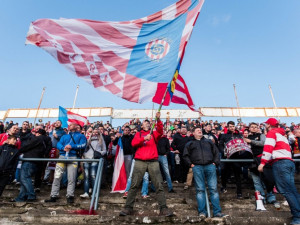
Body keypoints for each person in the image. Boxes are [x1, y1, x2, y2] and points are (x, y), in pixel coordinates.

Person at [119, 112, 173, 217]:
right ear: (142, 125)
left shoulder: (154, 134)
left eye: (148, 122)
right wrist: (144, 138)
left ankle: (163, 208)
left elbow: (160, 131)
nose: (147, 123)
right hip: (140, 161)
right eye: (145, 122)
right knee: (134, 185)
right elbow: (133, 144)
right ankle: (128, 208)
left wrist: (158, 120)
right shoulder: (138, 134)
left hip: (153, 161)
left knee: (159, 185)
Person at [258, 118, 300, 225]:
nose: (265, 126)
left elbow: (268, 148)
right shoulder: (282, 135)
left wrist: (262, 162)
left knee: (287, 191)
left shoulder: (272, 133)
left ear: (269, 125)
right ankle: (297, 214)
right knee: (292, 190)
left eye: (266, 124)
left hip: (280, 163)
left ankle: (297, 217)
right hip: (289, 162)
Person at [183, 127, 227, 218]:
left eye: (200, 130)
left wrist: (215, 163)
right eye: (197, 130)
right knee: (200, 190)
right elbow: (185, 155)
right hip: (197, 167)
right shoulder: (189, 143)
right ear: (193, 133)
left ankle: (217, 212)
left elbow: (216, 152)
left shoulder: (209, 142)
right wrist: (191, 164)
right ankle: (202, 212)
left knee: (213, 189)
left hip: (210, 166)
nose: (200, 131)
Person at [45, 122, 87, 204]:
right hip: (62, 157)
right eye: (69, 125)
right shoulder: (64, 136)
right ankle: (53, 195)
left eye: (72, 124)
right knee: (57, 176)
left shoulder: (81, 136)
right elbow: (58, 144)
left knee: (71, 178)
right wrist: (62, 148)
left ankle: (70, 195)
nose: (69, 126)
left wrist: (72, 147)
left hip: (73, 158)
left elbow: (83, 145)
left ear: (76, 126)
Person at [245, 122, 278, 206]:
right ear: (249, 128)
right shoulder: (246, 137)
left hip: (262, 158)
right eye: (252, 127)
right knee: (256, 180)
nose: (254, 128)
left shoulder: (261, 135)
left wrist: (251, 141)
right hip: (252, 160)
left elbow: (263, 143)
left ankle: (271, 197)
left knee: (267, 178)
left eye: (255, 127)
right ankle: (260, 197)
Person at [15, 129, 48, 202]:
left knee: (25, 178)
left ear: (38, 134)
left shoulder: (38, 139)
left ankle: (31, 195)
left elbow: (27, 146)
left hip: (30, 160)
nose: (34, 134)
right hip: (34, 161)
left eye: (35, 132)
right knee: (24, 179)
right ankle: (21, 197)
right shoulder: (44, 141)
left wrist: (17, 150)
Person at [80, 129, 106, 198]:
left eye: (96, 132)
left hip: (95, 158)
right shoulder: (88, 139)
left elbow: (104, 150)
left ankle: (95, 192)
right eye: (93, 132)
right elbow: (84, 148)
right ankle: (86, 192)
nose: (95, 133)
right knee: (86, 176)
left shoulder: (101, 140)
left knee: (93, 175)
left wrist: (98, 153)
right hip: (87, 158)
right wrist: (85, 154)